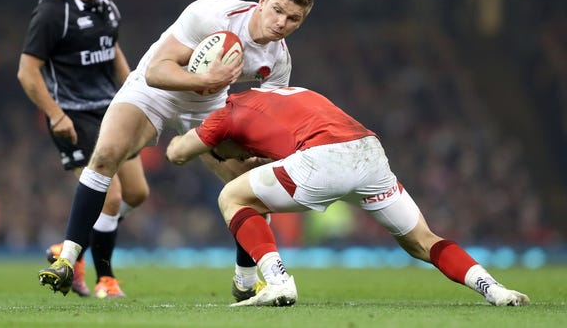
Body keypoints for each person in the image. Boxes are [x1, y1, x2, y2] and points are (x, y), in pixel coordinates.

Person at [37, 0, 315, 298]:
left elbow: (263, 115)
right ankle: (68, 258)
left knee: (253, 182)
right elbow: (156, 71)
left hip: (209, 105)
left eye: (293, 18)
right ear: (263, 1)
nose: (282, 22)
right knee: (106, 155)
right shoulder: (211, 15)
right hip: (155, 91)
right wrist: (206, 79)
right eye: (277, 10)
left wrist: (256, 148)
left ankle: (244, 281)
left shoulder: (279, 61)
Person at [165, 87, 531, 307]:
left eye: (234, 154)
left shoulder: (223, 117)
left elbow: (178, 154)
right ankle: (493, 289)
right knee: (422, 241)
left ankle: (277, 281)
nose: (242, 158)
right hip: (369, 151)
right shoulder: (281, 95)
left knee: (232, 197)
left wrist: (178, 133)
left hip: (326, 158)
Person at [18, 0, 149, 298]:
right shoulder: (51, 12)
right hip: (74, 117)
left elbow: (113, 52)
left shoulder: (106, 4)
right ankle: (105, 279)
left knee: (137, 193)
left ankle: (70, 250)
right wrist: (55, 114)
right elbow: (27, 71)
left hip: (113, 111)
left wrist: (137, 93)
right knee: (110, 195)